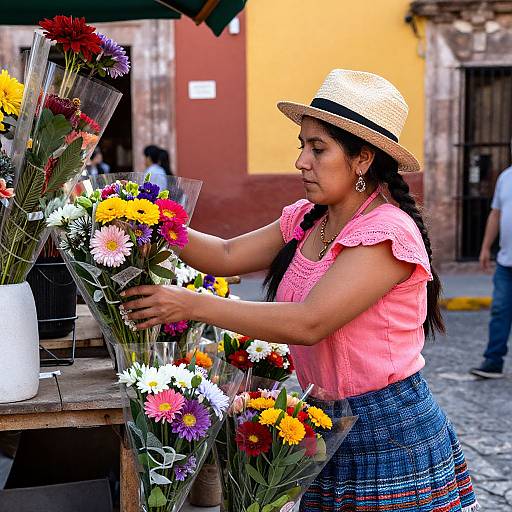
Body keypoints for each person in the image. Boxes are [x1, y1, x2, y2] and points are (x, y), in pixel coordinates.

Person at [122, 70, 479, 511]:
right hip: (326, 424)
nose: (301, 161)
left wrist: (192, 304)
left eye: (318, 148)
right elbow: (228, 254)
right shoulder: (311, 217)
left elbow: (309, 322)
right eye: (302, 146)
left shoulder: (386, 234)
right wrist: (151, 216)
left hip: (388, 433)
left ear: (362, 159)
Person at [470, 163, 512, 379]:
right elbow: (496, 215)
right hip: (506, 263)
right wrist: (486, 247)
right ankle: (493, 361)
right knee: (500, 311)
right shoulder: (505, 177)